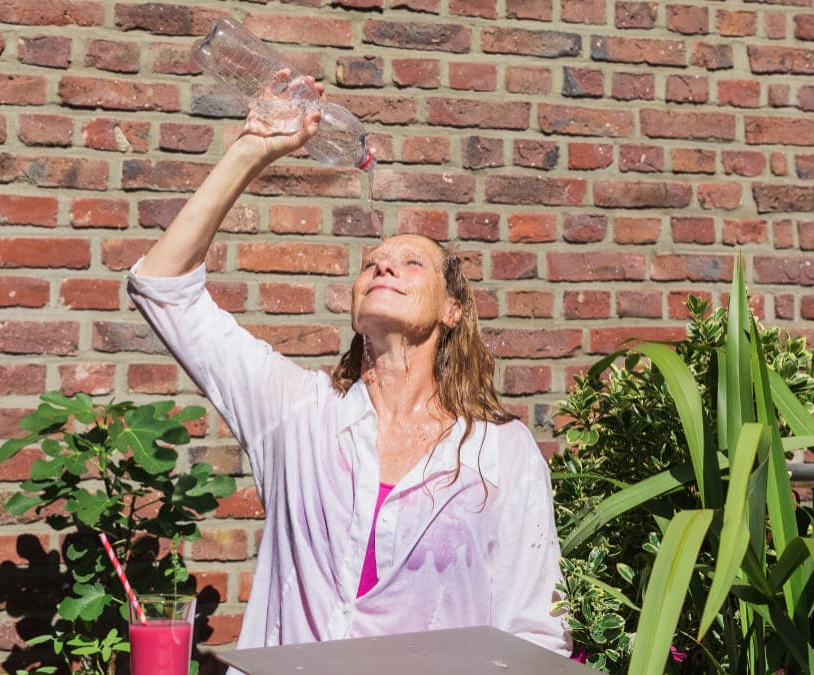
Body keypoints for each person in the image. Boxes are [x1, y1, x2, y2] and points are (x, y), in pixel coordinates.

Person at [126, 79, 571, 666]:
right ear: (354, 303)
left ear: (451, 310)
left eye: (412, 262)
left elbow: (536, 632)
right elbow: (162, 288)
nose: (384, 262)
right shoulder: (298, 413)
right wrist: (252, 149)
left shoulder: (503, 454)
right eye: (372, 263)